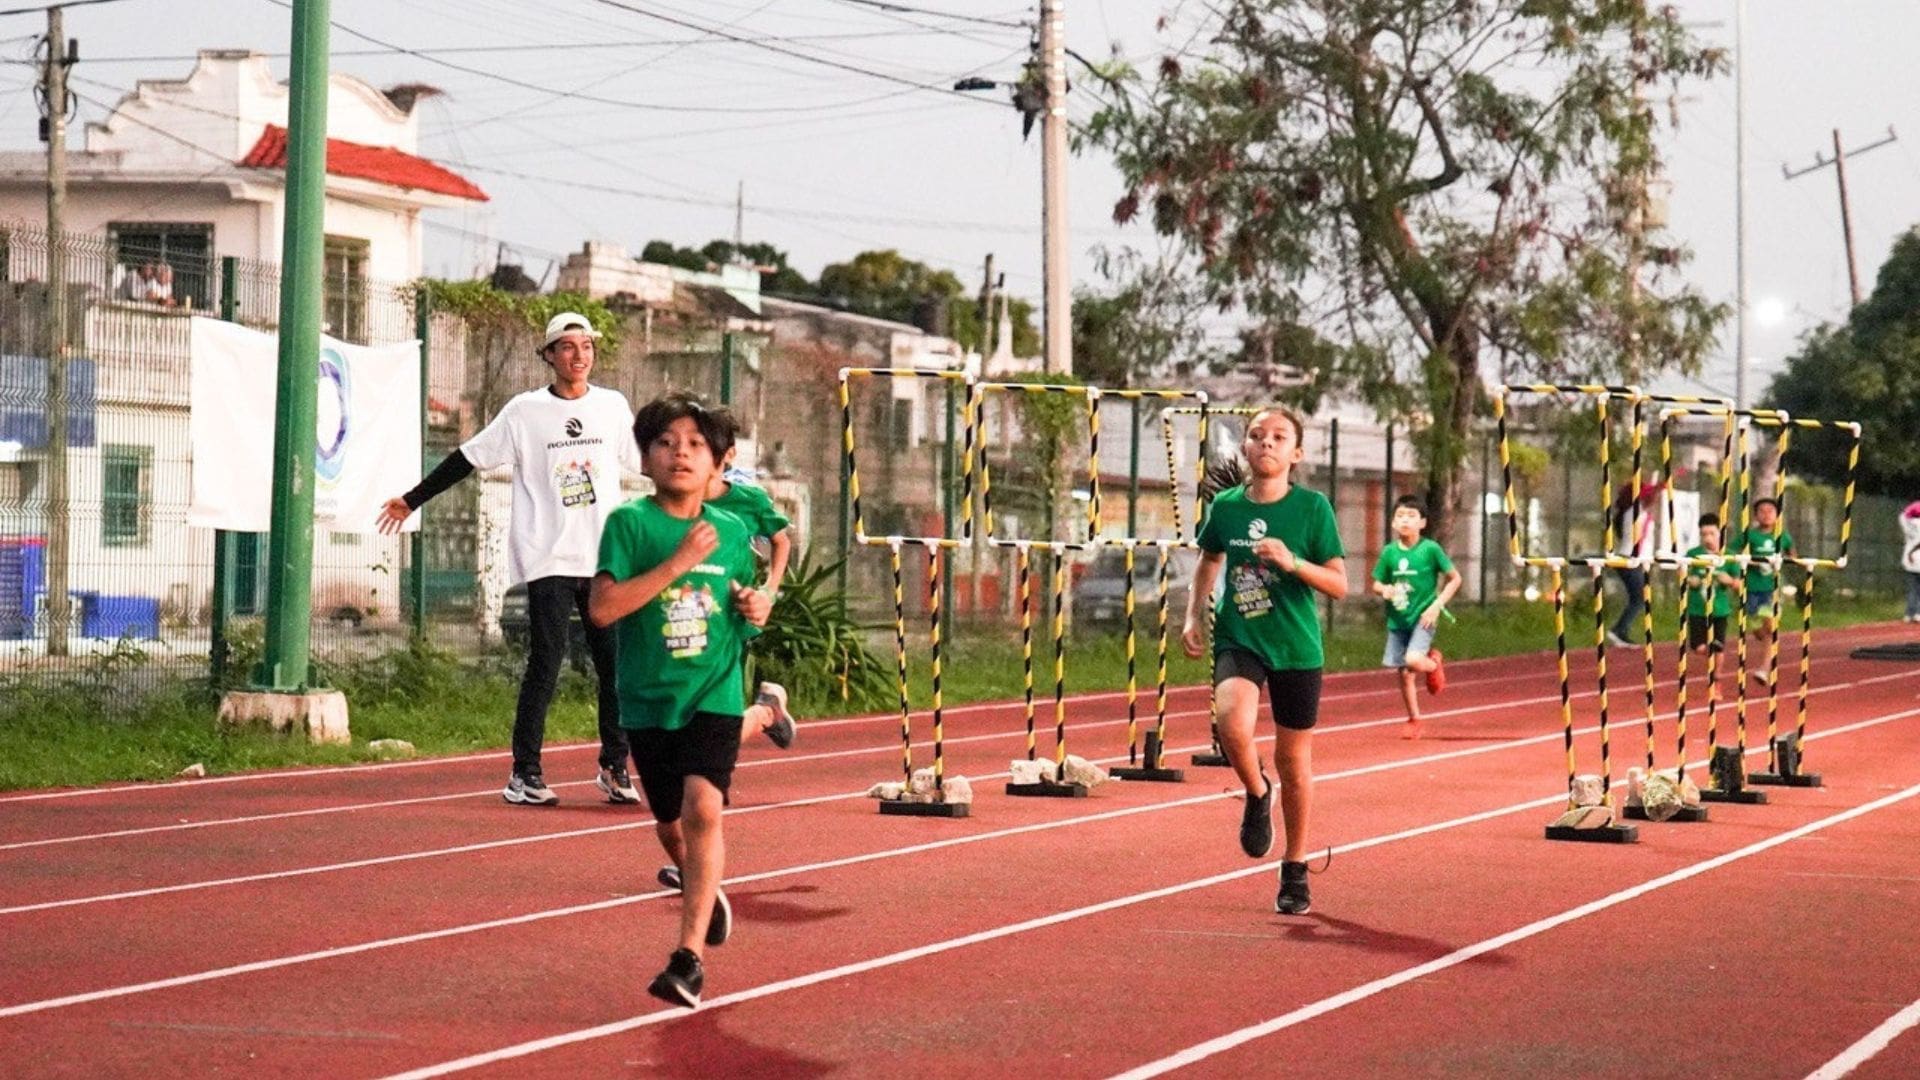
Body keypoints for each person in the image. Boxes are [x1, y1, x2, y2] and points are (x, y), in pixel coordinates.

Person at [378, 312, 641, 807]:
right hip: (548, 555)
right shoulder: (525, 411)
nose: (579, 355)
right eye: (567, 347)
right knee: (547, 660)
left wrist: (714, 481)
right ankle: (525, 773)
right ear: (548, 355)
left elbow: (648, 460)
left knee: (615, 667)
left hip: (604, 557)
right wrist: (412, 499)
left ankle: (614, 765)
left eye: (586, 346)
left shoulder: (611, 406)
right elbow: (468, 457)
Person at [588, 394, 797, 1009]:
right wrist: (679, 561)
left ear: (717, 467)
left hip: (713, 690)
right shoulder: (630, 525)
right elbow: (602, 610)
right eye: (665, 442)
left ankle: (687, 962)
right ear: (645, 459)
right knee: (670, 823)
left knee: (704, 807)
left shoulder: (733, 531)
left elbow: (742, 608)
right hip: (648, 699)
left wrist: (757, 606)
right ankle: (705, 893)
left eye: (695, 445)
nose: (680, 452)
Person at [1182, 407, 1347, 916]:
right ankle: (1257, 792)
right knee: (1232, 725)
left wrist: (1292, 562)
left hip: (1297, 646)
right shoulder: (1227, 508)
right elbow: (1209, 559)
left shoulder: (1313, 509)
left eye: (1278, 437)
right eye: (1257, 436)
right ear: (1246, 449)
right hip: (1241, 636)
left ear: (1295, 453)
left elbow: (1339, 584)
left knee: (1294, 762)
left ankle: (1295, 868)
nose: (1266, 444)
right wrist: (1193, 615)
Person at [1370, 495, 1460, 739]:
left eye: (1411, 516)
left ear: (1422, 523)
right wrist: (1385, 589)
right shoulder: (1389, 553)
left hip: (1424, 617)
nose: (1405, 521)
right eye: (1400, 516)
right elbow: (1376, 582)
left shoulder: (1430, 550)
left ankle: (1433, 664)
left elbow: (1455, 578)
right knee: (1405, 673)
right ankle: (1414, 719)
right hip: (1398, 619)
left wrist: (1437, 605)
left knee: (1412, 660)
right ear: (1392, 523)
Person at [1732, 497, 1795, 666]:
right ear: (1756, 515)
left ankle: (1765, 668)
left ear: (1777, 515)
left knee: (1770, 626)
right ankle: (1757, 628)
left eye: (1771, 511)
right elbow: (1731, 551)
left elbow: (1792, 555)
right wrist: (1747, 562)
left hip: (1771, 588)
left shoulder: (1782, 536)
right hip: (1751, 587)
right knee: (1759, 632)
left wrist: (1787, 560)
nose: (1766, 515)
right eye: (1762, 511)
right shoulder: (1749, 535)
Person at [1606, 481, 1660, 647]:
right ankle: (1618, 630)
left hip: (1634, 559)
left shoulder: (1635, 512)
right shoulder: (1635, 512)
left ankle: (1621, 631)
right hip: (1630, 559)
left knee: (1638, 598)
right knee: (1639, 598)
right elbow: (1640, 538)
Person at [1684, 514, 1739, 657]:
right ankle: (1709, 649)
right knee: (1698, 646)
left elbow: (1740, 584)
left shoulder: (1729, 556)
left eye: (1712, 534)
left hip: (1720, 610)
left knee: (1719, 647)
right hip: (1697, 609)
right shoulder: (1693, 554)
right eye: (1704, 534)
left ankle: (1717, 676)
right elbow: (1681, 573)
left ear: (1720, 533)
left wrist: (1730, 581)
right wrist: (1689, 580)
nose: (1708, 538)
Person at [1900, 502, 1920, 623]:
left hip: (1910, 561)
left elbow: (1903, 516)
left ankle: (1909, 613)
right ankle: (1918, 613)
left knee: (1912, 588)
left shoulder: (1908, 525)